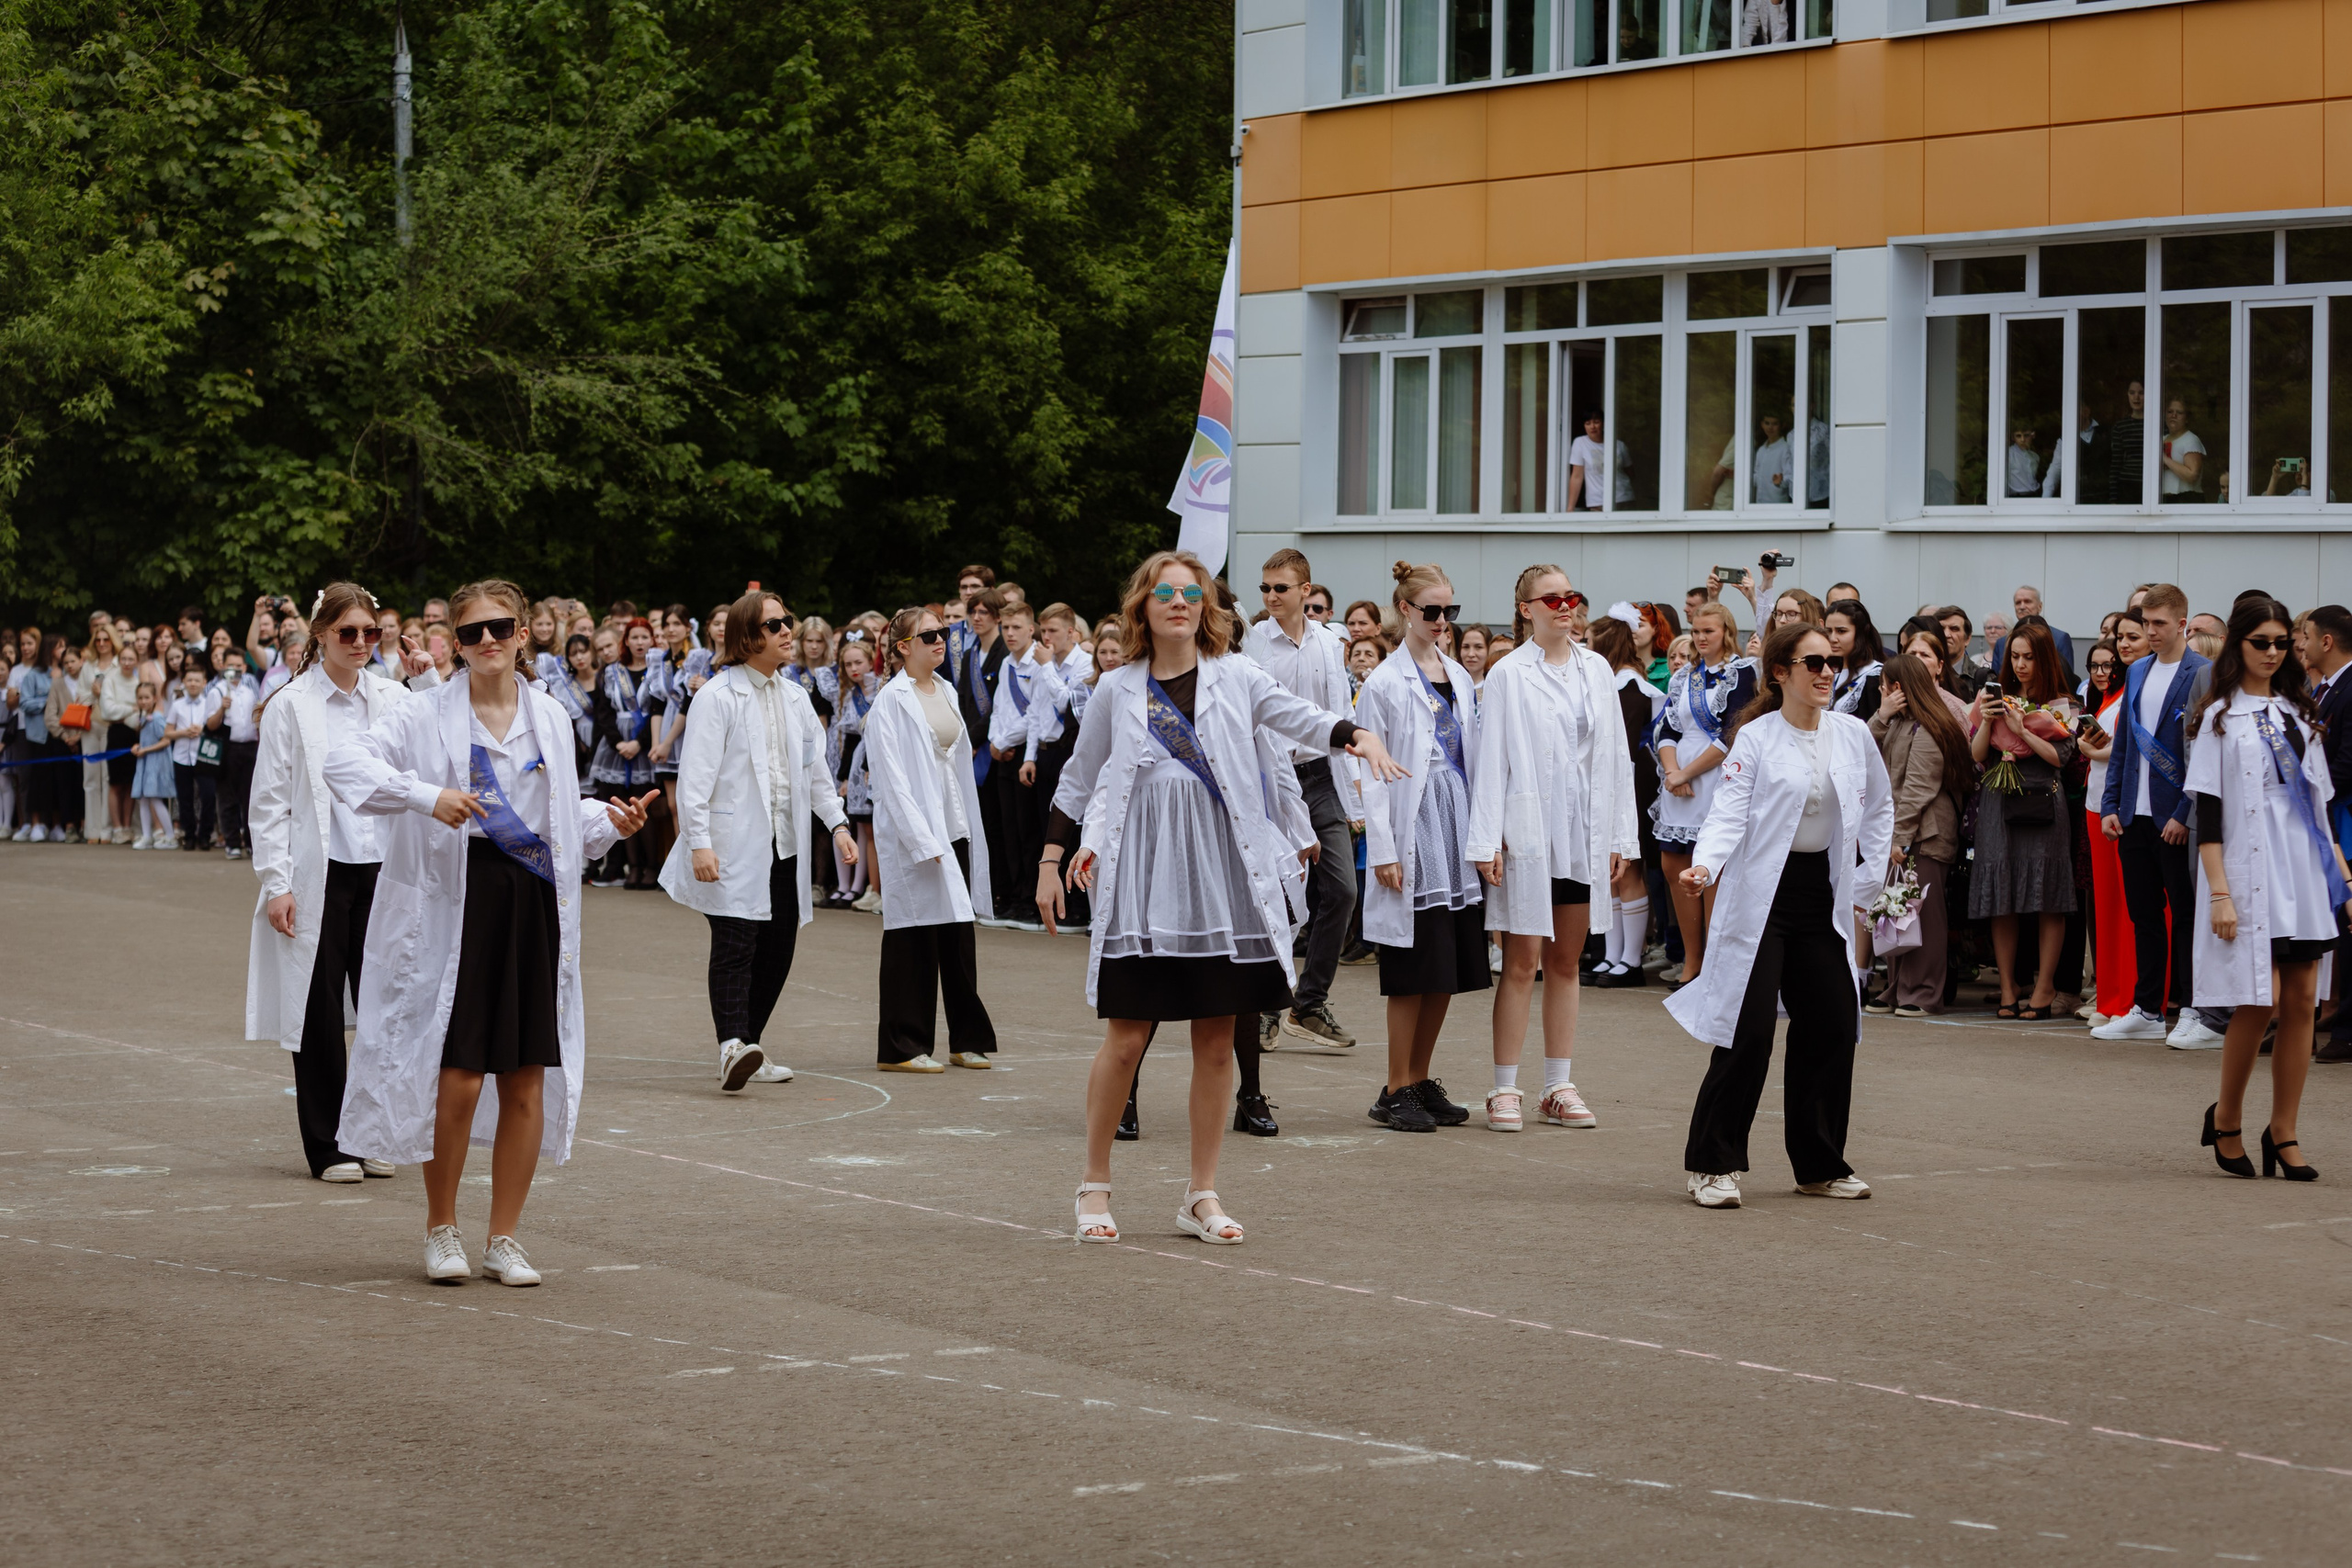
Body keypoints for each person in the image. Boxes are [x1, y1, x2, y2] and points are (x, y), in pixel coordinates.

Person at [1042, 550, 1404, 1246]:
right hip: (1146, 887)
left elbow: (1301, 717)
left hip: (1223, 887)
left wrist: (1356, 734)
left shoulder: (1237, 675)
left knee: (1216, 1044)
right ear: (1143, 607)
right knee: (1125, 1039)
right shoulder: (1117, 688)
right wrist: (1051, 859)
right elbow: (1078, 779)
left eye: (1191, 592)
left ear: (1206, 606)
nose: (1179, 601)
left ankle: (1200, 1194)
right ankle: (1094, 1183)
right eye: (1165, 592)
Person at [324, 580, 656, 1286]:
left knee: (528, 1075)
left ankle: (504, 1236)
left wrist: (611, 823)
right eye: (471, 632)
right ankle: (440, 1226)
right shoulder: (422, 713)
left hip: (531, 898)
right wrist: (427, 795)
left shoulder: (552, 718)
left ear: (523, 632)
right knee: (459, 1077)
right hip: (460, 902)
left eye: (499, 628)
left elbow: (562, 817)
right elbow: (344, 764)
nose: (486, 642)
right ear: (456, 641)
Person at [1671, 623, 1894, 1210]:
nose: (1826, 672)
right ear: (1780, 672)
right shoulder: (1756, 738)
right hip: (1761, 900)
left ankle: (1819, 1164)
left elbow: (1879, 807)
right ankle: (1712, 1165)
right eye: (1812, 662)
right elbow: (1728, 812)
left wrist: (1867, 884)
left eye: (1832, 661)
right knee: (1747, 1033)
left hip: (1821, 898)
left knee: (1832, 1024)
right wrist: (1706, 866)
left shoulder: (1851, 734)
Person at [247, 584, 440, 1183]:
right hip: (320, 870)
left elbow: (442, 740)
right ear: (321, 634)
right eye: (348, 632)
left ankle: (371, 1131)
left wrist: (428, 679)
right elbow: (270, 802)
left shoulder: (392, 694)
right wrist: (278, 882)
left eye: (370, 633)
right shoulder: (291, 705)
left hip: (384, 867)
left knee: (387, 1005)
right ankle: (328, 1144)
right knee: (319, 1007)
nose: (361, 643)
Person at [662, 590, 858, 1092]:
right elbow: (695, 779)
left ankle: (749, 1043)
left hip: (783, 845)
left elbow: (816, 772)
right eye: (776, 626)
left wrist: (837, 824)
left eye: (787, 621)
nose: (788, 631)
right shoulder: (716, 697)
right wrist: (699, 843)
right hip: (730, 844)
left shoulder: (795, 697)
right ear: (748, 638)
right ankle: (731, 1046)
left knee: (778, 948)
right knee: (735, 944)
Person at [1468, 565, 1638, 1133]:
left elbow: (1615, 758)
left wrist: (1620, 836)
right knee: (1521, 962)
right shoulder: (1507, 675)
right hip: (1530, 830)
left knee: (1566, 961)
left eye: (1571, 597)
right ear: (1526, 610)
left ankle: (1558, 1083)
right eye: (1552, 599)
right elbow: (1491, 759)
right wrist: (1488, 837)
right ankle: (1504, 1087)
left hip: (1582, 832)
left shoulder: (1597, 671)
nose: (1565, 607)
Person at [2187, 598, 2347, 1180]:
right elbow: (2207, 812)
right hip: (2249, 872)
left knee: (2303, 999)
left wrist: (2342, 878)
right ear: (2238, 645)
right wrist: (2220, 893)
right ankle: (2226, 1117)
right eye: (2262, 641)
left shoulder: (2299, 713)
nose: (2275, 652)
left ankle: (2284, 1129)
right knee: (2259, 1000)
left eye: (2283, 642)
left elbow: (2320, 806)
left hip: (2301, 871)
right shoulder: (2219, 717)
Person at [1357, 562, 1485, 1133]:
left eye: (1448, 612)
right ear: (1405, 610)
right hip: (1414, 825)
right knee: (1412, 964)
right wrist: (1384, 849)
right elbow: (1368, 771)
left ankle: (1420, 1075)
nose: (1440, 621)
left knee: (1446, 964)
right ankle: (1394, 1086)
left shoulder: (1457, 676)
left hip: (1455, 820)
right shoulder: (1383, 681)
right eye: (1430, 611)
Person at [867, 605, 998, 1072]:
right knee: (914, 936)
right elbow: (891, 780)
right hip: (915, 834)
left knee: (958, 934)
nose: (940, 641)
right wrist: (922, 841)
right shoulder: (890, 701)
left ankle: (966, 1039)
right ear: (903, 647)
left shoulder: (944, 689)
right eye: (928, 636)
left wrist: (950, 833)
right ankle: (903, 1045)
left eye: (943, 633)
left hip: (954, 824)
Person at [1242, 548, 1363, 1051]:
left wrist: (1353, 788)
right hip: (1271, 784)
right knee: (1274, 895)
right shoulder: (1253, 643)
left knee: (1341, 890)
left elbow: (1338, 716)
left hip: (1321, 778)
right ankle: (1269, 1004)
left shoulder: (1330, 643)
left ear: (1306, 590)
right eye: (1265, 588)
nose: (1271, 596)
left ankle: (1308, 1002)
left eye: (1281, 588)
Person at [2094, 585, 2213, 1043]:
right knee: (2143, 913)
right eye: (2146, 623)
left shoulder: (2203, 672)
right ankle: (2146, 1009)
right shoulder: (2139, 669)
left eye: (2160, 624)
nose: (2150, 632)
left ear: (2183, 624)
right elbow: (2123, 742)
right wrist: (2110, 805)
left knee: (2184, 914)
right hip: (2133, 815)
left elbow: (2204, 752)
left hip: (2176, 817)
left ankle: (2190, 1008)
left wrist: (2185, 812)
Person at [1969, 621, 2081, 1019]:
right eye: (2014, 656)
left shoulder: (2062, 703)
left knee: (2048, 897)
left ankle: (2046, 984)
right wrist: (1986, 720)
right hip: (2000, 800)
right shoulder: (1997, 696)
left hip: (2043, 802)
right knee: (2003, 899)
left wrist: (2022, 730)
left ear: (2044, 658)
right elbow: (1978, 755)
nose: (2020, 664)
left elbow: (2060, 759)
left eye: (2028, 657)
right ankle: (2007, 986)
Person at [1654, 601, 1756, 987]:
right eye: (1696, 631)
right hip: (1678, 783)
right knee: (1672, 866)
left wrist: (1686, 772)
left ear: (1726, 631)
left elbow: (1732, 734)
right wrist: (1671, 772)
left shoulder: (1742, 673)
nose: (1700, 638)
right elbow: (1667, 729)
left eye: (1708, 631)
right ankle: (1691, 958)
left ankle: (1714, 961)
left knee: (1710, 869)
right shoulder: (1685, 676)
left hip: (1714, 778)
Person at [1866, 652, 1973, 1017]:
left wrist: (1900, 838)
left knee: (1923, 915)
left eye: (1884, 686)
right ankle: (1899, 988)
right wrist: (1882, 714)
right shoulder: (1900, 720)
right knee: (1897, 911)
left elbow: (1917, 790)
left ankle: (1924, 992)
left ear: (1898, 687)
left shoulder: (1927, 727)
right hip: (1905, 832)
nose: (1881, 691)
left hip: (1925, 834)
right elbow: (1863, 747)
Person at [1587, 615, 1663, 988]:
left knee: (1628, 868)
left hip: (1628, 785)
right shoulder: (1610, 682)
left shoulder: (1630, 686)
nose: (1584, 647)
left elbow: (1625, 748)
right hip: (1608, 784)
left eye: (1589, 641)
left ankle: (1631, 959)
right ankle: (1613, 956)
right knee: (1611, 873)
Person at [2077, 638, 2137, 1026]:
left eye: (2108, 664)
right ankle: (2110, 997)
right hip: (2096, 802)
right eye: (2095, 665)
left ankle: (2129, 999)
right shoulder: (2100, 700)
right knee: (2106, 906)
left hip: (2123, 805)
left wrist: (2090, 748)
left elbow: (2121, 750)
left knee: (2128, 908)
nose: (2102, 672)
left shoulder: (2134, 690)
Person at [590, 616, 664, 888]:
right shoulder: (612, 671)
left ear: (652, 640)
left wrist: (639, 743)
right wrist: (618, 742)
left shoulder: (657, 670)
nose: (640, 642)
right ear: (627, 641)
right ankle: (632, 867)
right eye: (634, 637)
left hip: (644, 745)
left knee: (644, 806)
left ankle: (651, 868)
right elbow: (604, 712)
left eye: (645, 637)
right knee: (622, 808)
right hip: (617, 747)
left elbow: (659, 708)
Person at [984, 598, 1045, 928]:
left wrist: (1004, 742)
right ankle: (1012, 896)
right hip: (1003, 752)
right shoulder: (1007, 663)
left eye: (1016, 627)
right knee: (1007, 829)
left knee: (1028, 830)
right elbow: (999, 709)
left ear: (1031, 629)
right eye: (1005, 627)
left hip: (1026, 753)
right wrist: (995, 742)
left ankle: (1029, 898)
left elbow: (1034, 713)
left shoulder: (1037, 663)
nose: (1010, 633)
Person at [128, 682, 175, 848]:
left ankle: (170, 836)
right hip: (146, 763)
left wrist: (146, 750)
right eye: (140, 698)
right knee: (144, 799)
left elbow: (166, 740)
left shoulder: (157, 718)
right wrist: (138, 747)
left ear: (154, 698)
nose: (143, 701)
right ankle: (147, 836)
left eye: (147, 697)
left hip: (155, 763)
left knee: (154, 799)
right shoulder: (143, 719)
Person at [1824, 599, 1885, 721]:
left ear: (1861, 633)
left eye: (1841, 631)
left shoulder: (1874, 676)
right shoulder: (1822, 669)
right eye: (1828, 631)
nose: (1832, 638)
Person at [1566, 410, 1631, 511]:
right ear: (1584, 426)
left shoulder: (1619, 445)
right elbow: (1577, 477)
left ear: (1603, 423)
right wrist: (1570, 509)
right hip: (1597, 502)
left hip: (1624, 499)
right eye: (1588, 423)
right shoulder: (1580, 443)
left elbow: (1631, 473)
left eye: (1596, 422)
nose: (1592, 427)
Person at [2014, 585, 2075, 675]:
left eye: (2027, 601)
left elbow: (2066, 677)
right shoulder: (2003, 641)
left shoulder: (2059, 638)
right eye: (2018, 603)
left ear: (2040, 606)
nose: (2022, 606)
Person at [2159, 399, 2207, 502]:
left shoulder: (2190, 440)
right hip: (2164, 500)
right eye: (2170, 412)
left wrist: (2166, 460)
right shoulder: (2161, 439)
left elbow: (2192, 475)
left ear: (2187, 418)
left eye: (2179, 412)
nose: (2173, 415)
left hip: (2187, 499)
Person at [1458, 623, 1491, 694]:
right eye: (1466, 647)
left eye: (1478, 647)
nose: (1471, 654)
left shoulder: (1494, 686)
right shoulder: (1454, 684)